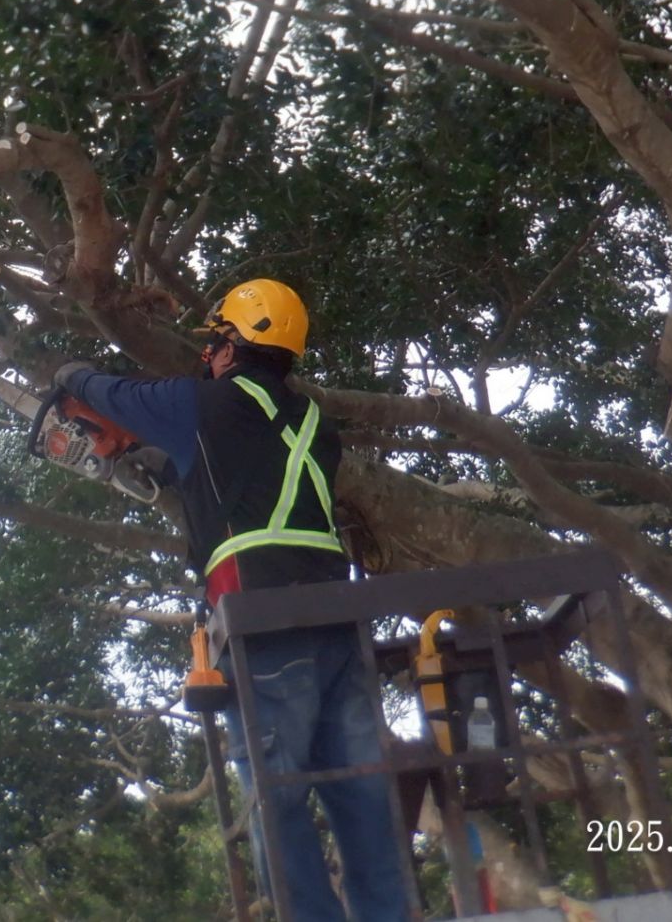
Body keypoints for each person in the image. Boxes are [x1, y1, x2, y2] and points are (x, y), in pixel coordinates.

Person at [54, 278, 410, 922]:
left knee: (275, 799)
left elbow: (121, 397)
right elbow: (240, 476)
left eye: (216, 342)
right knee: (362, 792)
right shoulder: (311, 422)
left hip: (262, 620)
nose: (208, 355)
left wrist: (71, 376)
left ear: (233, 345)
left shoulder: (205, 402)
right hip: (338, 620)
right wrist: (154, 459)